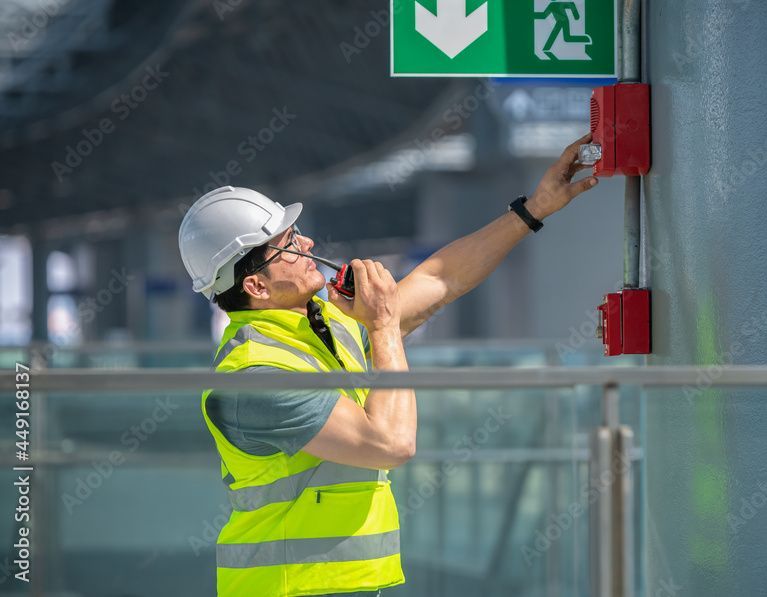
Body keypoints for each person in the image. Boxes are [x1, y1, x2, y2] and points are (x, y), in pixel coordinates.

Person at [176, 134, 599, 596]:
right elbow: (390, 443)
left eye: (295, 233)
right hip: (285, 588)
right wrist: (382, 326)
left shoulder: (329, 325)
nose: (307, 243)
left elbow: (440, 278)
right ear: (256, 287)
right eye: (288, 245)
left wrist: (534, 209)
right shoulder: (254, 378)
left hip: (338, 586)